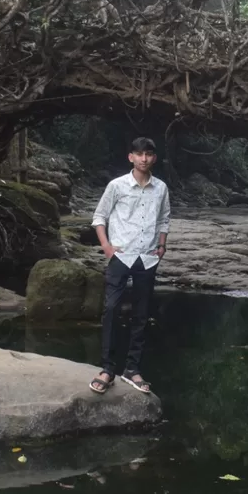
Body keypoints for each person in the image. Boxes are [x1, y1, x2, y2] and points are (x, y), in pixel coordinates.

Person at [89, 137, 170, 396]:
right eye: (139, 154)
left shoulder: (161, 188)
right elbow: (99, 217)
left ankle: (132, 369)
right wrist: (107, 247)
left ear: (154, 158)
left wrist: (162, 245)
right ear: (130, 157)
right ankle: (107, 369)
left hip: (147, 258)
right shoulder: (117, 186)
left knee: (141, 313)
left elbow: (164, 219)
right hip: (120, 257)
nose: (144, 158)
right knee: (112, 308)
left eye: (148, 154)